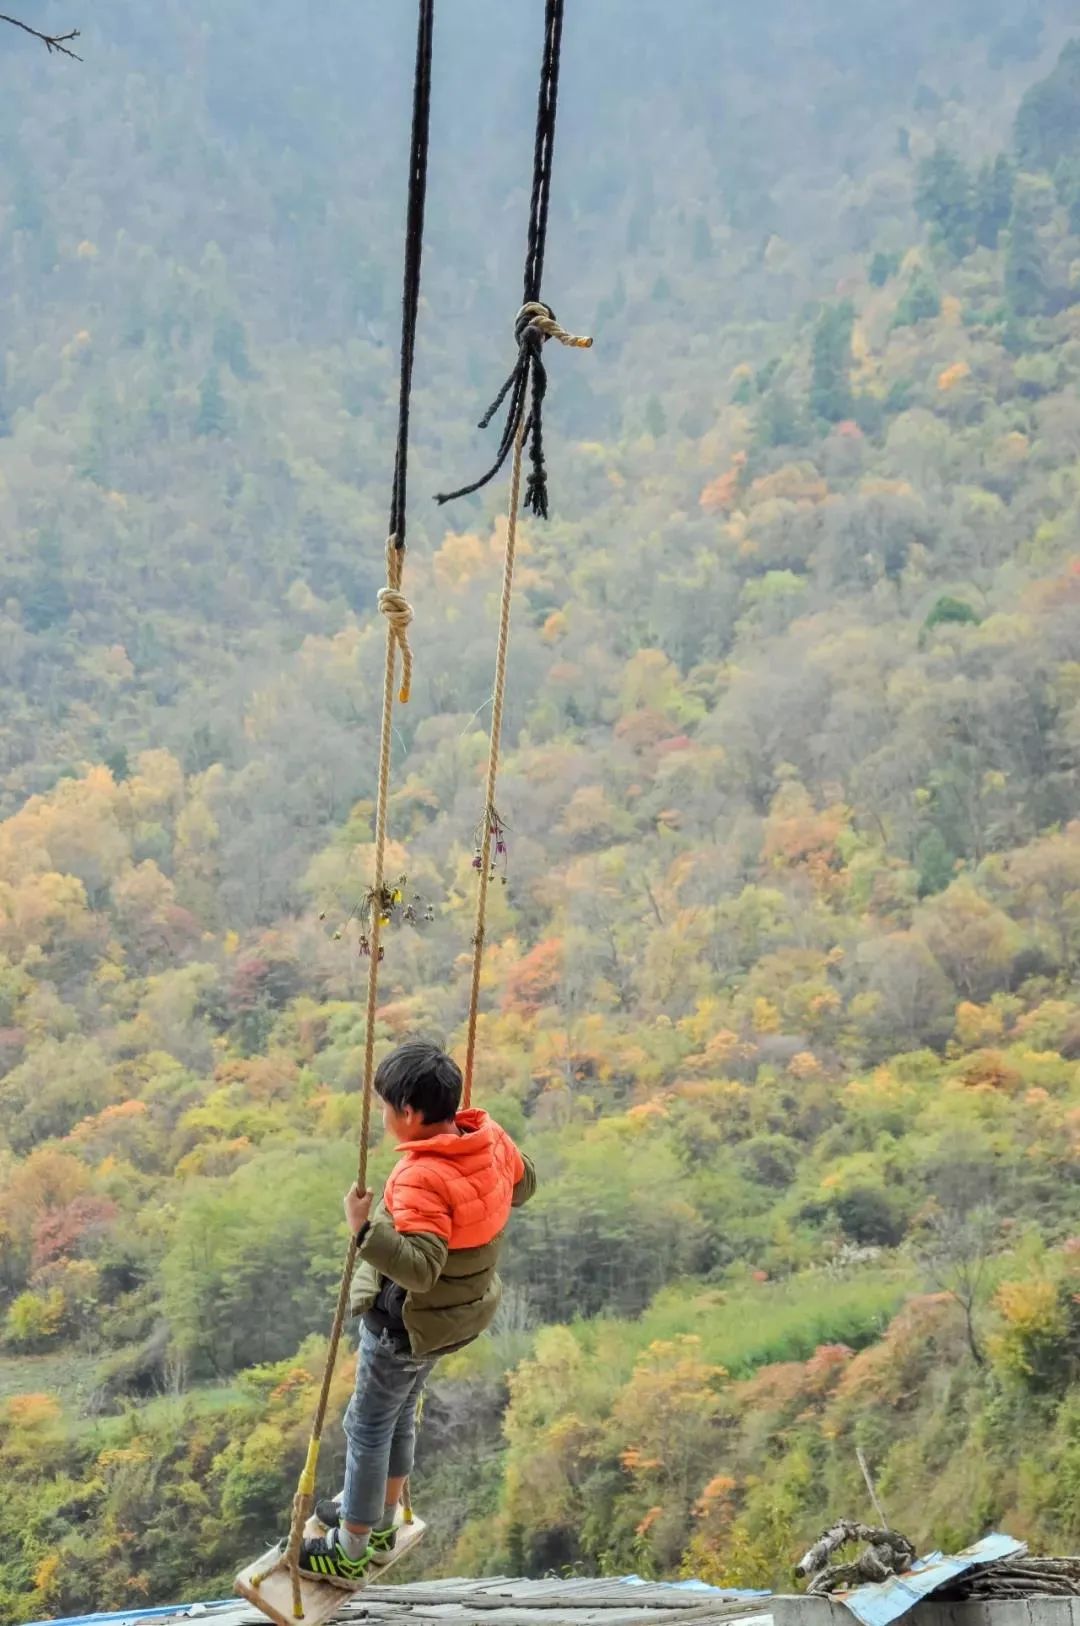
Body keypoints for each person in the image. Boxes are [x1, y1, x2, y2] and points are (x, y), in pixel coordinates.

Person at [298, 1040, 535, 1586]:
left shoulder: (419, 1177)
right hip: (453, 1320)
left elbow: (419, 1269)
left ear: (409, 1113)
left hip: (407, 1325)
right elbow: (525, 1186)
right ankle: (378, 1521)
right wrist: (492, 1156)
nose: (382, 1117)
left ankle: (351, 1546)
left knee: (367, 1425)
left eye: (385, 1108)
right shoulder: (487, 1137)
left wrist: (363, 1229)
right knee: (398, 1415)